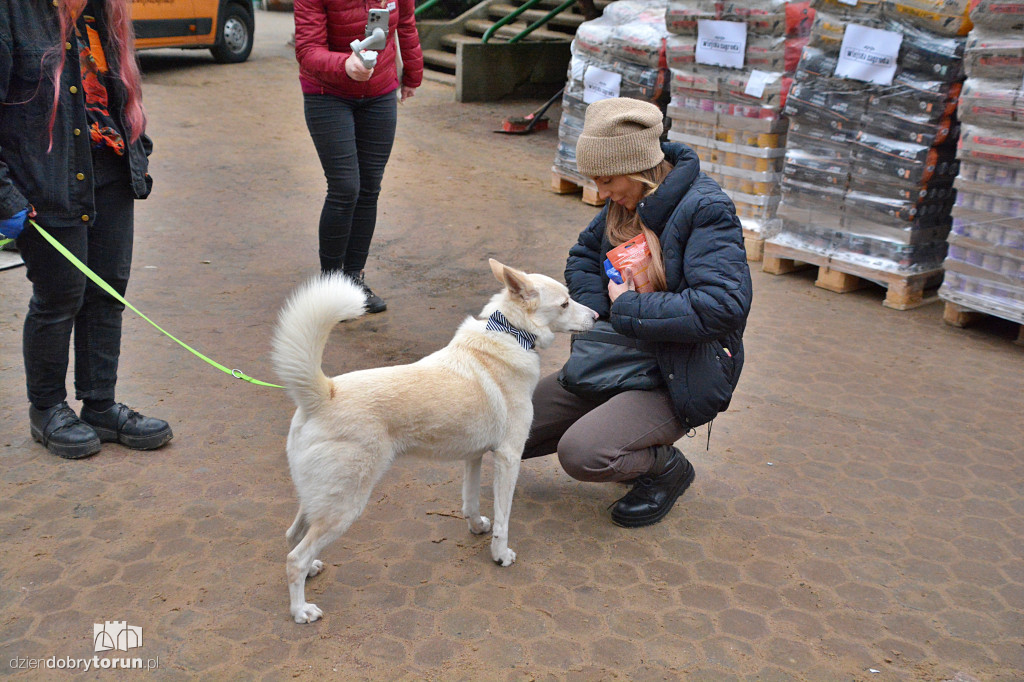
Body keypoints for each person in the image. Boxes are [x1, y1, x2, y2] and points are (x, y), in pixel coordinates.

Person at [523, 97, 753, 527]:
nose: (602, 194)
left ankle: (665, 468)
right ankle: (617, 420)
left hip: (677, 371)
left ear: (639, 169)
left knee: (583, 454)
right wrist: (600, 310)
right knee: (508, 426)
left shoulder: (706, 210)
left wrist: (628, 306)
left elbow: (722, 306)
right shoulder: (625, 202)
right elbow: (582, 256)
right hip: (617, 356)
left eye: (608, 181)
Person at [0, 0, 172, 459]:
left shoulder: (103, 10)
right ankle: (47, 409)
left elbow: (119, 92)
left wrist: (138, 151)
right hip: (45, 181)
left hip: (110, 172)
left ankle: (99, 404)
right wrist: (7, 197)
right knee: (60, 296)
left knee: (107, 290)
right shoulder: (13, 11)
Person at [294, 0, 423, 313]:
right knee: (345, 188)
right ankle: (330, 285)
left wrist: (413, 74)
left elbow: (405, 23)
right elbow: (308, 49)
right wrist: (345, 65)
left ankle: (353, 279)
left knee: (369, 188)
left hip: (378, 94)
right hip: (328, 94)